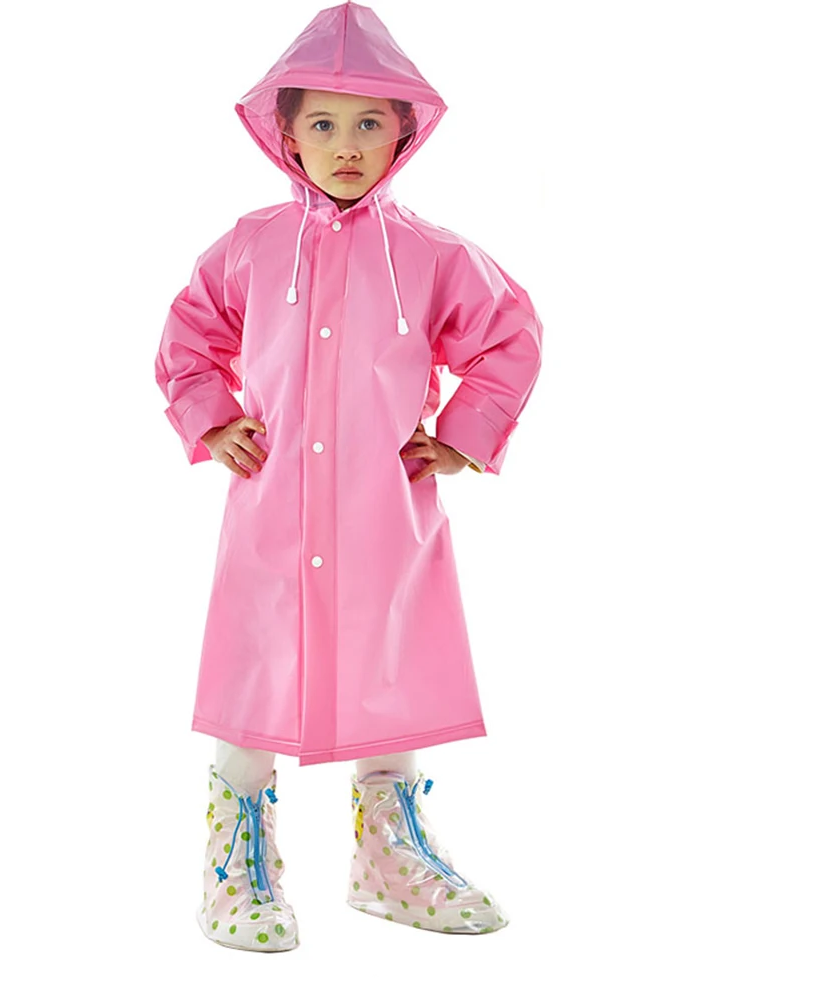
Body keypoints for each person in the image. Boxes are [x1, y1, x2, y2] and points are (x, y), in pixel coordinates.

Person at [154, 1, 543, 952]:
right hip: (272, 505)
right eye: (323, 123)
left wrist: (463, 434)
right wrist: (211, 418)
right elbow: (189, 335)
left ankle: (388, 856)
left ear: (404, 131)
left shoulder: (431, 254)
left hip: (383, 508)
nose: (347, 145)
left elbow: (508, 337)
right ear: (285, 134)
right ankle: (235, 857)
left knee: (392, 652)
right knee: (255, 657)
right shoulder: (251, 245)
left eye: (370, 122)